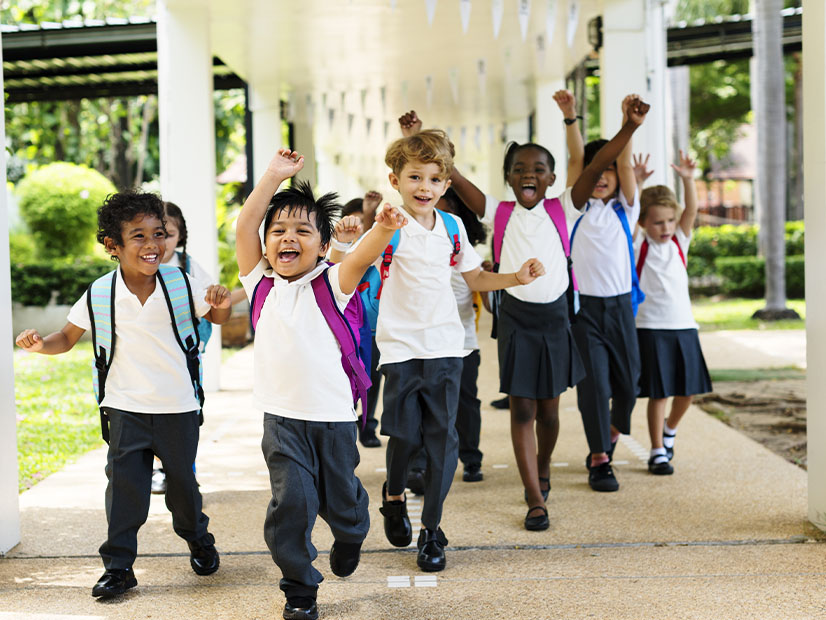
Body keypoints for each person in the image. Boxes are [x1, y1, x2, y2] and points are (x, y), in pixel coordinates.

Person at [15, 190, 232, 599]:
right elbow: (66, 336)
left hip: (178, 407)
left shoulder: (181, 281)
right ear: (112, 245)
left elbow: (216, 317)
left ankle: (198, 538)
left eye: (159, 234)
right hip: (124, 408)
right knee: (124, 492)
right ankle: (118, 568)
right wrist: (40, 345)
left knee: (184, 488)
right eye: (139, 236)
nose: (152, 245)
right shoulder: (100, 292)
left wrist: (219, 304)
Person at [235, 148, 407, 620]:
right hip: (282, 420)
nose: (287, 238)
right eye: (279, 232)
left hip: (331, 420)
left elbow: (362, 257)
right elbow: (244, 226)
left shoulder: (332, 282)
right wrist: (273, 176)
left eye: (302, 231)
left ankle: (352, 533)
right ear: (267, 244)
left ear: (322, 241)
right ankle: (299, 588)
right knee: (291, 501)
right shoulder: (260, 284)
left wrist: (384, 229)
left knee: (343, 503)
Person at [363, 127, 545, 572]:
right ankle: (393, 495)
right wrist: (356, 234)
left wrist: (514, 278)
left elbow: (474, 279)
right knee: (405, 435)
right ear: (396, 180)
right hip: (402, 347)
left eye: (433, 179)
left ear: (446, 184)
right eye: (414, 178)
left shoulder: (452, 226)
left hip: (447, 346)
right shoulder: (390, 224)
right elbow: (355, 263)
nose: (424, 187)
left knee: (444, 439)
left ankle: (432, 529)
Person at [568, 95, 650, 493]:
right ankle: (600, 457)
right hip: (586, 312)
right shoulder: (575, 210)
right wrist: (570, 119)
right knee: (595, 386)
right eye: (592, 170)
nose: (600, 176)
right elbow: (580, 161)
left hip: (620, 308)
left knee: (629, 383)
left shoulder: (626, 209)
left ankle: (614, 429)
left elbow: (619, 162)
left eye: (609, 170)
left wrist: (627, 124)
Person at [633, 150, 712, 475]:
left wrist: (688, 179)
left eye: (669, 220)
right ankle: (656, 451)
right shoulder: (639, 245)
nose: (665, 227)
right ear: (644, 223)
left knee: (687, 391)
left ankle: (669, 431)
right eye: (657, 222)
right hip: (651, 327)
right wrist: (636, 183)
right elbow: (632, 210)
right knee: (659, 393)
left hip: (683, 326)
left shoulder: (680, 241)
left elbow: (690, 210)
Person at [405, 187, 489, 488]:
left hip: (463, 343)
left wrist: (504, 276)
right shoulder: (415, 247)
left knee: (465, 402)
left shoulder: (463, 249)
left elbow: (486, 293)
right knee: (423, 407)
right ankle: (418, 465)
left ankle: (471, 458)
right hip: (425, 344)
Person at [150, 200, 219, 495]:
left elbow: (213, 305)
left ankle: (185, 472)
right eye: (156, 232)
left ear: (181, 238)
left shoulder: (189, 269)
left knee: (187, 414)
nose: (161, 241)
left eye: (169, 234)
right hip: (148, 360)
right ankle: (159, 467)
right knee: (150, 414)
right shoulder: (136, 268)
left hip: (185, 358)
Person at [339, 190, 384, 448]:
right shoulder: (340, 255)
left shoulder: (377, 254)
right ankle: (346, 419)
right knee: (347, 375)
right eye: (353, 225)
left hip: (375, 328)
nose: (358, 232)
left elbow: (369, 246)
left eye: (362, 226)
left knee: (372, 377)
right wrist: (368, 214)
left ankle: (367, 425)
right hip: (347, 328)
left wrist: (370, 216)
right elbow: (358, 252)